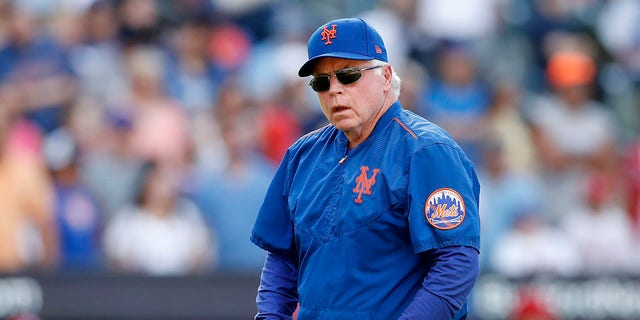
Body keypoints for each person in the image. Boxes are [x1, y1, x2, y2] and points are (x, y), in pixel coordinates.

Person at [250, 17, 480, 319]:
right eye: (322, 82)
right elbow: (282, 259)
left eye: (348, 75)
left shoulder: (426, 150)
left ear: (386, 75)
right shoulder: (302, 155)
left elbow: (456, 264)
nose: (334, 90)